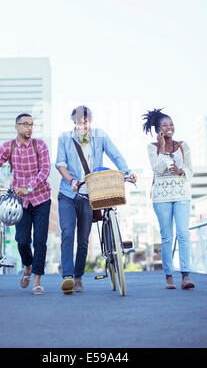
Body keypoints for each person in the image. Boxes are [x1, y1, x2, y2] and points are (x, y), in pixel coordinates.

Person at [55, 105, 136, 294]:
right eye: (78, 120)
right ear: (73, 121)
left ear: (89, 120)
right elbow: (60, 164)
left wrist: (127, 172)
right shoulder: (64, 138)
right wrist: (72, 180)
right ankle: (67, 276)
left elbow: (115, 155)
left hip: (89, 194)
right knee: (67, 232)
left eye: (85, 120)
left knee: (83, 239)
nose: (82, 123)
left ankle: (78, 277)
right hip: (68, 192)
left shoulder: (99, 136)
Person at [0, 113, 51, 295]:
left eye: (32, 125)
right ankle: (28, 266)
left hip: (41, 199)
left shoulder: (40, 146)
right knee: (22, 241)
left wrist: (29, 187)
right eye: (25, 124)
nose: (29, 128)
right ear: (16, 127)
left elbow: (45, 170)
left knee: (40, 241)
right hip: (19, 202)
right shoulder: (9, 147)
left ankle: (37, 281)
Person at [142, 108, 195, 290]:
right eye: (165, 125)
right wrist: (163, 147)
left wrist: (182, 171)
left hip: (181, 194)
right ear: (158, 130)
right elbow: (157, 169)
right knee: (167, 237)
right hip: (161, 197)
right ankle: (169, 277)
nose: (169, 127)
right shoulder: (152, 147)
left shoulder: (183, 146)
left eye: (171, 124)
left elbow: (190, 170)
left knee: (183, 234)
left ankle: (186, 276)